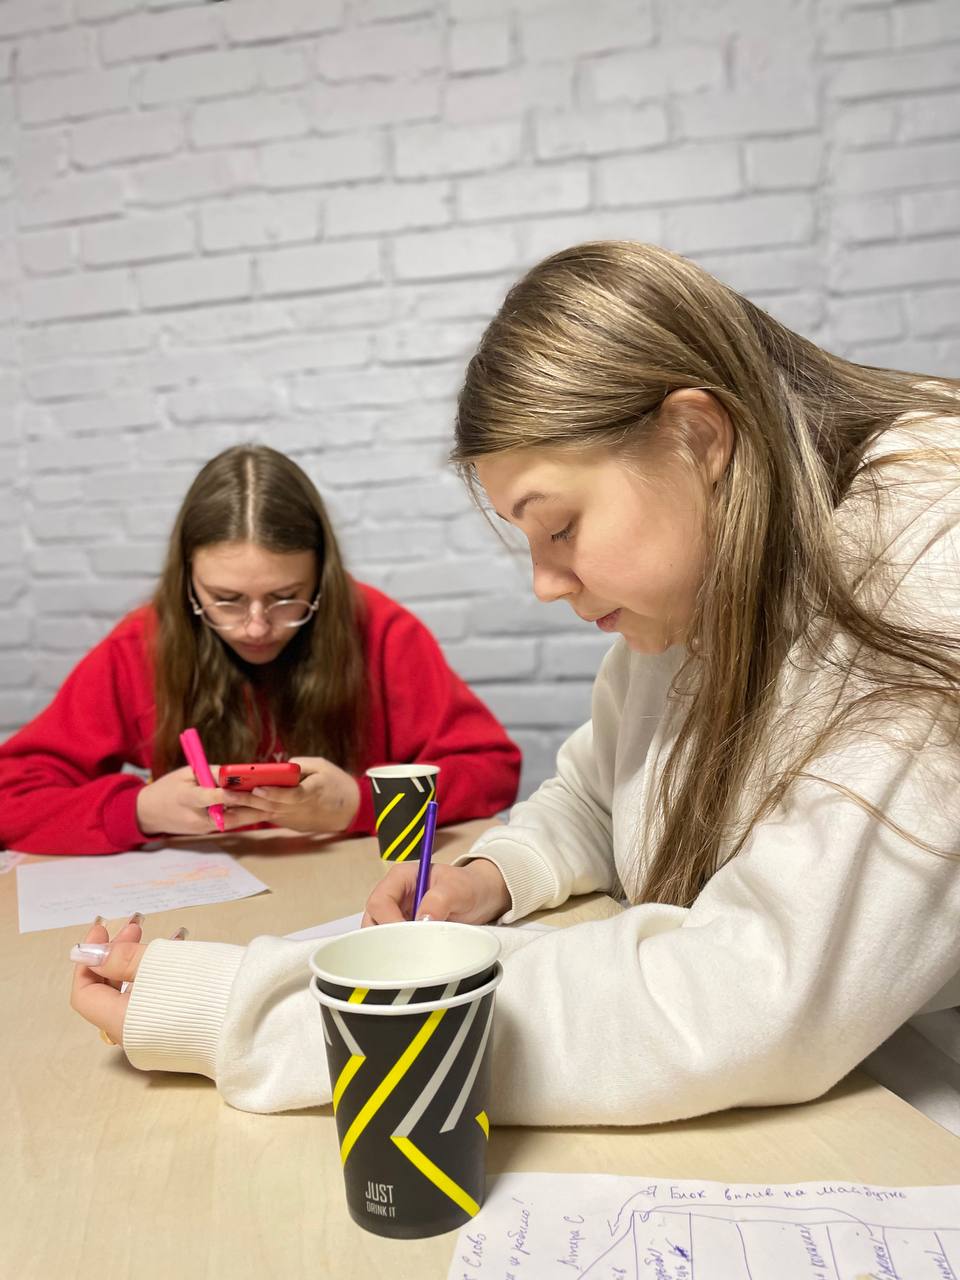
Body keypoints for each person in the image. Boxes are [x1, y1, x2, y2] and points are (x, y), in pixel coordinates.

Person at [69, 243, 960, 1135]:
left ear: (698, 438)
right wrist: (494, 874)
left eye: (559, 526)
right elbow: (599, 796)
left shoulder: (929, 567)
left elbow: (751, 995)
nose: (543, 583)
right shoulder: (697, 586)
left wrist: (256, 1011)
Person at [2, 445, 520, 855]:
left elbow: (490, 768)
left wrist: (361, 803)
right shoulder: (142, 644)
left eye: (286, 597)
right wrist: (138, 810)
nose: (256, 628)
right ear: (187, 580)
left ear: (321, 577)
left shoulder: (380, 629)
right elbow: (11, 796)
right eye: (226, 600)